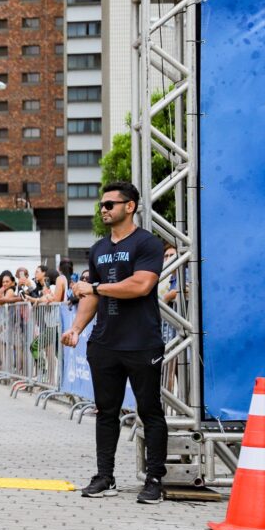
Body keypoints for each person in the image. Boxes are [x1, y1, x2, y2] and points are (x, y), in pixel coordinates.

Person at [61, 181, 167, 505]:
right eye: (102, 205)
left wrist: (95, 288)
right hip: (105, 343)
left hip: (141, 342)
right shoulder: (98, 250)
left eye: (110, 204)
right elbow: (90, 299)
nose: (104, 209)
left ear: (129, 206)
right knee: (106, 412)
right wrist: (77, 328)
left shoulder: (148, 244)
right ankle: (105, 476)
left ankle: (154, 480)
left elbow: (140, 285)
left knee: (149, 410)